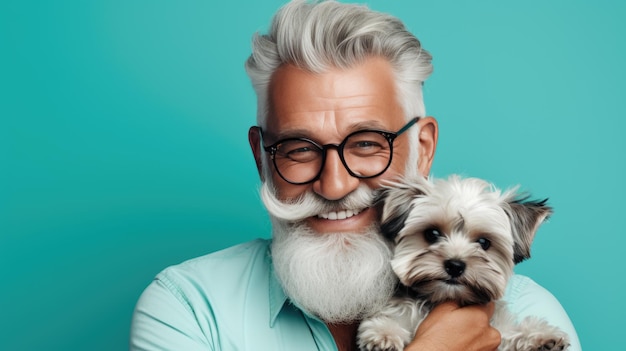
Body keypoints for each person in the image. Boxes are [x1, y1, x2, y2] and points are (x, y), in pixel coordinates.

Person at [130, 1, 581, 350]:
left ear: (422, 149)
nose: (335, 185)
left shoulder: (531, 317)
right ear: (262, 157)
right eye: (299, 148)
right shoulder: (189, 309)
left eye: (366, 144)